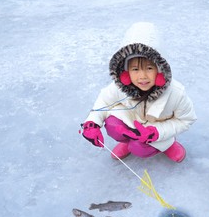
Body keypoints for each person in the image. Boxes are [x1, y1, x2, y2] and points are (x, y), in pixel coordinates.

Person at [81, 22, 196, 163]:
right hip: (133, 125)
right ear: (126, 73)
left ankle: (168, 145)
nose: (142, 76)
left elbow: (186, 120)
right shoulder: (120, 86)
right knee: (113, 125)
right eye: (135, 69)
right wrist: (92, 123)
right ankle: (126, 142)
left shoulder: (176, 93)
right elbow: (103, 103)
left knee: (140, 148)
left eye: (149, 68)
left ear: (160, 70)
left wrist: (157, 132)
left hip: (157, 132)